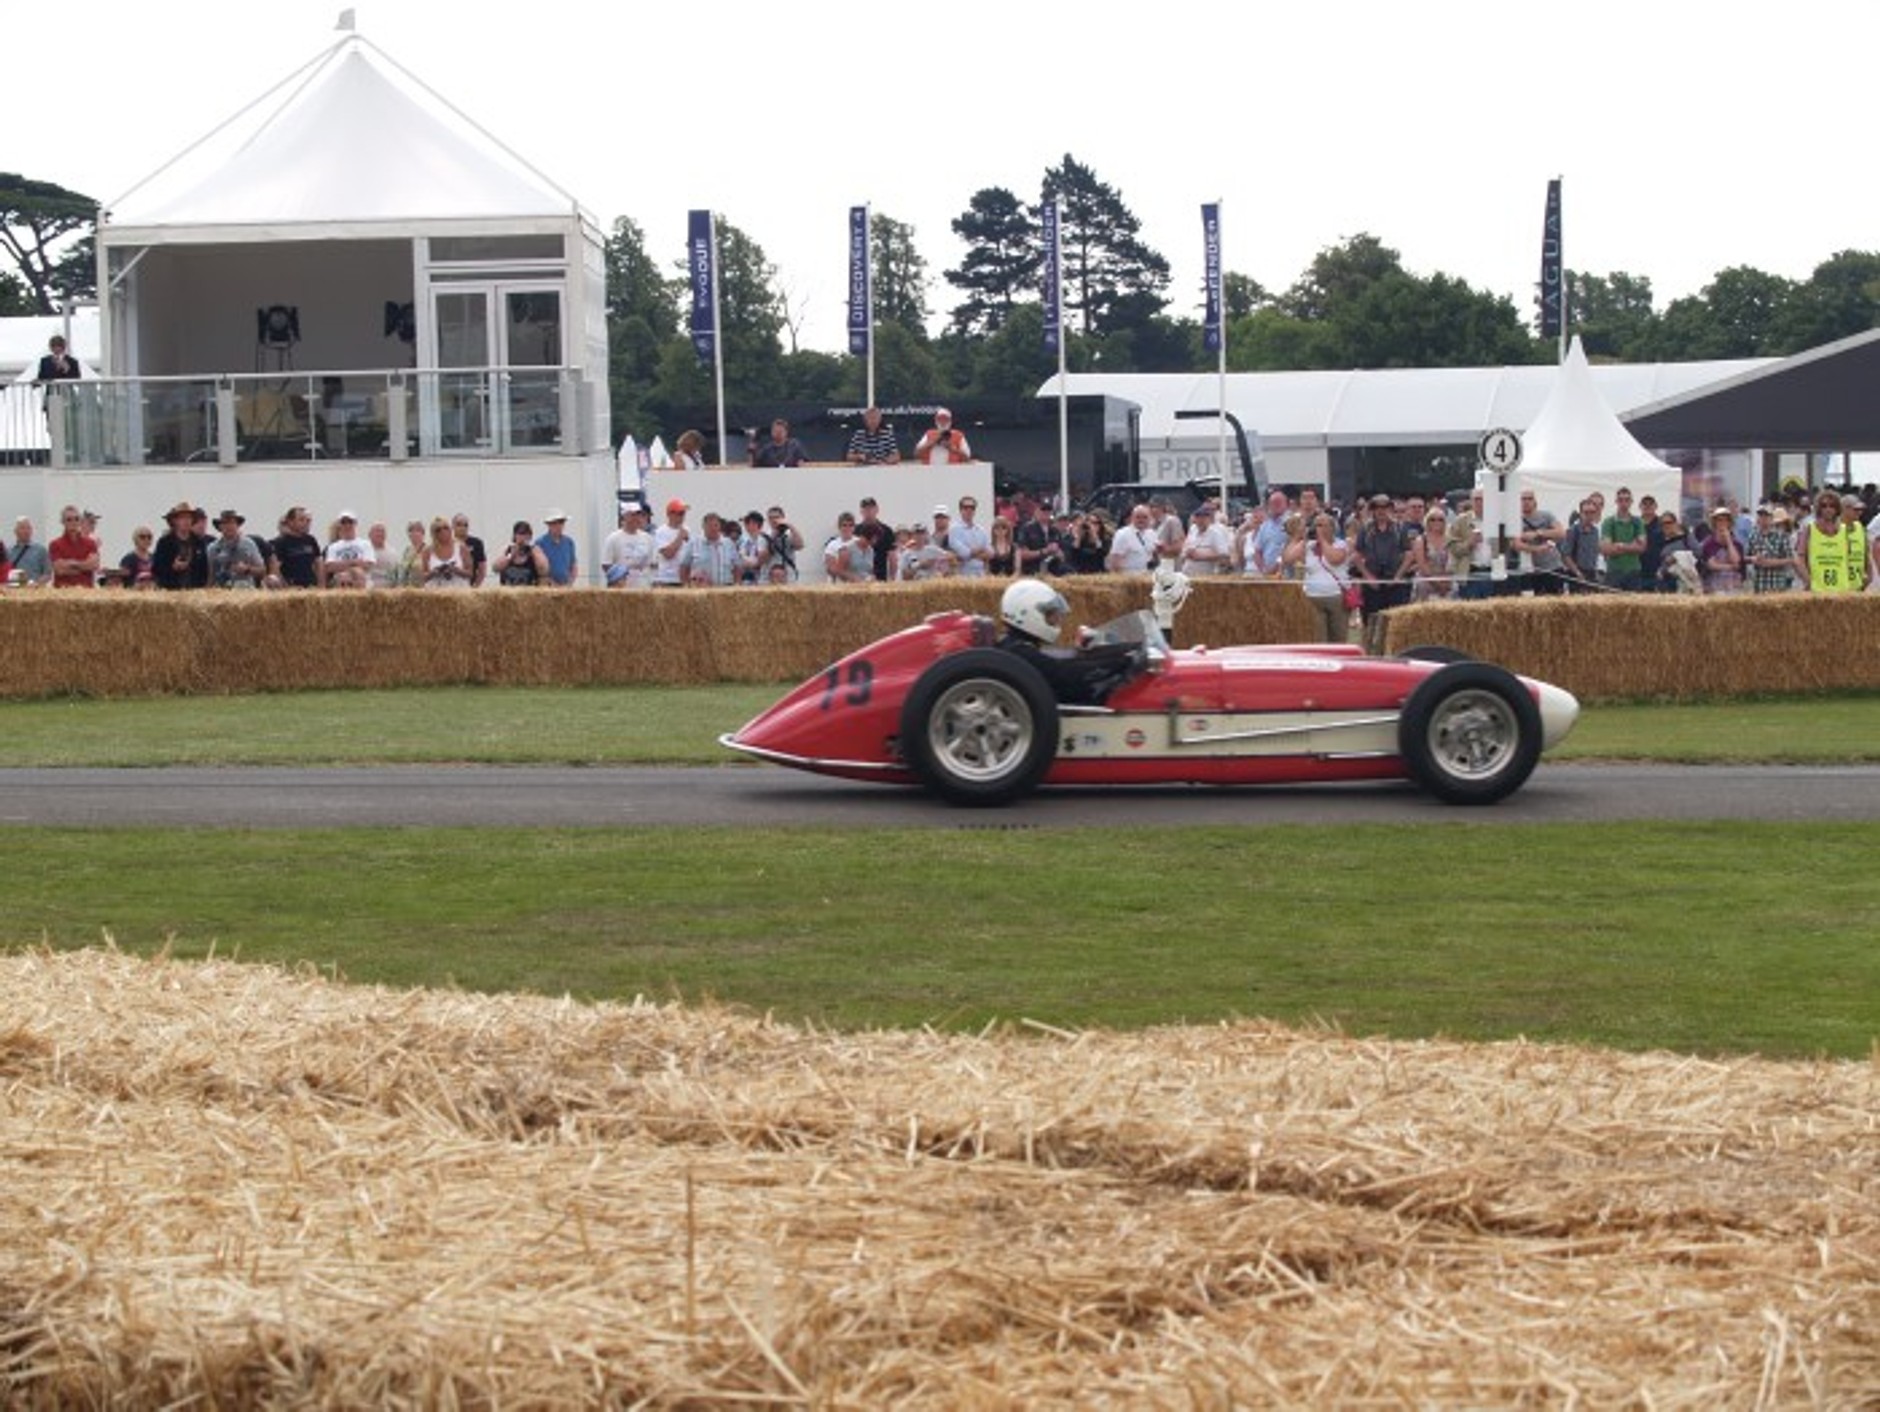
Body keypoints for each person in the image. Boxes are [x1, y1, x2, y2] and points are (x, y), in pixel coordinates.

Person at [995, 578, 1142, 707]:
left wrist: (1090, 652)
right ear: (1026, 614)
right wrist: (1122, 661)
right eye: (1050, 614)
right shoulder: (1020, 653)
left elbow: (1057, 662)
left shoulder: (1014, 646)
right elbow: (1066, 674)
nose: (1056, 620)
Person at [1351, 494, 1416, 653]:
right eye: (1377, 508)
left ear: (1390, 509)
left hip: (1394, 583)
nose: (1381, 511)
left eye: (1385, 508)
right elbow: (1356, 556)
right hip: (1372, 584)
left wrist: (1398, 577)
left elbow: (1409, 555)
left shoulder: (1400, 528)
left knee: (1397, 623)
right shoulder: (1365, 529)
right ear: (1373, 510)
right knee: (1370, 624)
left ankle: (1397, 654)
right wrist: (1368, 576)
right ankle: (1370, 656)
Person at [1286, 511, 1351, 644]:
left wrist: (1322, 540)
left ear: (1332, 528)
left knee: (1338, 638)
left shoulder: (1341, 544)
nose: (1317, 528)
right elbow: (1288, 558)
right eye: (1315, 525)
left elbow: (1334, 559)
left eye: (1321, 525)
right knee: (1318, 639)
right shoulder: (1309, 545)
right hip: (1313, 598)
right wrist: (1299, 538)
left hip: (1336, 597)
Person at [1794, 488, 1862, 594]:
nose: (1828, 509)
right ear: (1818, 509)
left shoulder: (1844, 530)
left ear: (1837, 509)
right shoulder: (1809, 529)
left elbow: (1848, 559)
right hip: (1817, 590)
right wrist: (1808, 581)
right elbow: (1799, 559)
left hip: (1841, 589)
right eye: (1824, 506)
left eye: (1832, 506)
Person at [1514, 489, 1566, 595]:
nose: (1526, 502)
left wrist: (1538, 533)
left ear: (1535, 502)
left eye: (1529, 498)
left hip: (1553, 566)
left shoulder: (1546, 515)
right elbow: (1516, 544)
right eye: (1523, 499)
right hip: (1532, 570)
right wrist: (1537, 549)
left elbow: (1561, 532)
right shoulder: (1515, 521)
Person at [1599, 487, 1647, 591]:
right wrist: (1632, 545)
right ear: (1616, 502)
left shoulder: (1638, 522)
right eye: (1621, 500)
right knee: (1611, 605)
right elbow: (1606, 549)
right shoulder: (1608, 522)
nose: (1624, 503)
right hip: (1614, 571)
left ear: (1631, 502)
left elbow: (1642, 548)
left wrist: (1620, 545)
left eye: (1627, 500)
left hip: (1633, 570)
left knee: (1634, 605)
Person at [151, 504, 208, 591]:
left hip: (194, 594)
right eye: (182, 518)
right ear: (175, 521)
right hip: (170, 593)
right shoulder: (164, 542)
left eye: (189, 518)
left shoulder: (199, 542)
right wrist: (172, 568)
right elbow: (156, 569)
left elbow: (204, 570)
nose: (186, 521)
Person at [1408, 505, 1457, 602]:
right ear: (1427, 522)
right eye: (1432, 519)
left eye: (1440, 519)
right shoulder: (1421, 540)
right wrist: (1438, 585)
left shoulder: (1450, 540)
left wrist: (1446, 584)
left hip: (1448, 584)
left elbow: (1454, 562)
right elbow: (1422, 565)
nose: (1436, 522)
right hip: (1426, 584)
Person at [207, 509, 266, 589]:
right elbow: (211, 575)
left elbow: (262, 570)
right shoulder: (212, 548)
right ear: (220, 527)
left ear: (237, 525)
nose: (229, 526)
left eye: (232, 523)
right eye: (225, 523)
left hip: (244, 589)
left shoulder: (249, 544)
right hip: (221, 590)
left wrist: (247, 569)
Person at [602, 504, 657, 588]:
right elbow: (606, 564)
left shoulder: (647, 538)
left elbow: (652, 563)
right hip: (622, 589)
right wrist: (618, 579)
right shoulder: (613, 538)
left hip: (643, 588)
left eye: (638, 514)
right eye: (632, 515)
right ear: (624, 516)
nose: (636, 518)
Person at [1746, 505, 1797, 594]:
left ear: (1771, 518)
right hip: (1759, 584)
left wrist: (1771, 562)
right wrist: (1753, 559)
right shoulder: (1752, 536)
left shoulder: (1781, 536)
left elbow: (1791, 559)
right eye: (1761, 515)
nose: (1763, 518)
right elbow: (1745, 557)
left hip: (1777, 584)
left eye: (1766, 515)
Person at [47, 505, 100, 588]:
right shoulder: (55, 544)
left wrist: (70, 564)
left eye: (76, 519)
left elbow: (93, 565)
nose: (73, 522)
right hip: (63, 594)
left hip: (86, 594)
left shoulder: (91, 543)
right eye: (69, 519)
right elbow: (59, 570)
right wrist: (84, 565)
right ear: (63, 522)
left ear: (80, 521)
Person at [270, 505, 322, 589]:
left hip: (311, 586)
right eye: (301, 520)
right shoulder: (281, 543)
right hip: (293, 587)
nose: (305, 523)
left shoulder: (311, 540)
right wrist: (286, 588)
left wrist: (321, 585)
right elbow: (276, 568)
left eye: (306, 520)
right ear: (291, 522)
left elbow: (319, 564)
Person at [682, 512, 739, 586]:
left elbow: (737, 567)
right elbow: (684, 566)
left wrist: (737, 584)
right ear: (703, 527)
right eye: (709, 526)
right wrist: (686, 585)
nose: (713, 529)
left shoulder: (728, 544)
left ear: (720, 526)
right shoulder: (694, 543)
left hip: (725, 589)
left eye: (716, 525)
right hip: (701, 590)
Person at [1697, 506, 1746, 595]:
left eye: (1725, 520)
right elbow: (1712, 565)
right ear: (1714, 522)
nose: (1722, 523)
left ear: (1729, 523)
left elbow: (1736, 561)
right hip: (1714, 586)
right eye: (1719, 520)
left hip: (1733, 587)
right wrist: (1731, 567)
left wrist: (1728, 541)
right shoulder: (1708, 543)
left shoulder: (1737, 544)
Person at [1559, 497, 1604, 591]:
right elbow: (1565, 555)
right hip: (1576, 575)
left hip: (1592, 574)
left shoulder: (1595, 531)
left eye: (1592, 512)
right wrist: (1577, 573)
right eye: (1586, 512)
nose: (1589, 515)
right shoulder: (1573, 531)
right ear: (1580, 513)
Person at [323, 511, 376, 589]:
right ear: (339, 525)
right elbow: (330, 567)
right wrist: (354, 562)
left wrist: (341, 565)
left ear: (355, 524)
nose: (347, 525)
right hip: (341, 587)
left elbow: (368, 565)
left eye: (350, 522)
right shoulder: (333, 547)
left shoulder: (365, 544)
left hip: (363, 586)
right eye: (343, 522)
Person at [1178, 502, 1233, 576]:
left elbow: (1224, 555)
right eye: (1198, 517)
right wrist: (1187, 554)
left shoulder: (1216, 532)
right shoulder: (1193, 530)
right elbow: (1184, 551)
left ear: (1208, 518)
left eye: (1204, 517)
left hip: (1207, 574)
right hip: (1188, 573)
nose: (1201, 520)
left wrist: (1201, 556)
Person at [421, 516, 473, 589]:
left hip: (458, 591)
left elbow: (470, 573)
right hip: (435, 592)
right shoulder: (427, 551)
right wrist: (433, 572)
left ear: (450, 530)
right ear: (433, 533)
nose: (443, 531)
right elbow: (423, 577)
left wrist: (456, 570)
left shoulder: (461, 547)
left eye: (446, 528)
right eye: (438, 530)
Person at [947, 494, 992, 577]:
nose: (969, 510)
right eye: (966, 507)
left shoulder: (981, 530)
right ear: (960, 510)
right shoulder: (954, 529)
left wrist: (970, 554)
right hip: (963, 575)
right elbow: (964, 553)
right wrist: (981, 550)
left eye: (972, 507)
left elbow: (990, 553)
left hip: (981, 574)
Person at [1105, 504, 1158, 574]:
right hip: (1128, 579)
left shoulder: (1152, 534)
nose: (1141, 520)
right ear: (1132, 518)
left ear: (1150, 518)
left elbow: (1154, 555)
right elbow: (1115, 561)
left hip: (1146, 577)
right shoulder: (1122, 534)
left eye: (1145, 517)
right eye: (1138, 517)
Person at [494, 520, 549, 586]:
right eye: (520, 534)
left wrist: (533, 552)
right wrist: (510, 555)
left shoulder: (535, 550)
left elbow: (544, 570)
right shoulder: (507, 550)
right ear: (515, 536)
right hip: (509, 592)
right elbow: (496, 568)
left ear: (530, 536)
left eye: (525, 534)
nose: (522, 537)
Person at [822, 512, 872, 583]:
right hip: (838, 585)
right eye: (844, 525)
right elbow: (831, 568)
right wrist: (850, 577)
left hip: (860, 584)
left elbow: (868, 565)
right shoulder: (832, 545)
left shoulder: (860, 542)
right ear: (839, 527)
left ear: (854, 527)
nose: (847, 528)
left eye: (850, 525)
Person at [853, 497, 895, 581]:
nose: (868, 511)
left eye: (871, 508)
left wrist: (892, 578)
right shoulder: (855, 530)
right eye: (865, 509)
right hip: (858, 579)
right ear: (861, 511)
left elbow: (892, 557)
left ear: (877, 510)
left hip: (880, 576)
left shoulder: (887, 531)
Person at [653, 499, 690, 587]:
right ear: (670, 514)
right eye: (680, 513)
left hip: (682, 579)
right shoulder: (660, 532)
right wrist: (680, 537)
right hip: (666, 580)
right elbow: (668, 554)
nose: (682, 516)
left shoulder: (687, 530)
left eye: (683, 513)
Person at [763, 505, 803, 582]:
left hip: (789, 574)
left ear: (783, 518)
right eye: (771, 518)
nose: (774, 520)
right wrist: (772, 538)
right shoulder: (765, 535)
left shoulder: (789, 533)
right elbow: (763, 558)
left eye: (777, 517)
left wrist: (791, 527)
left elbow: (799, 546)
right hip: (770, 574)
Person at [538, 510, 578, 585]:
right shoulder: (540, 543)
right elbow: (539, 568)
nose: (559, 526)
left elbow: (573, 564)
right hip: (548, 587)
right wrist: (552, 583)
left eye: (561, 522)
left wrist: (570, 582)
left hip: (566, 586)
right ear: (549, 525)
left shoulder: (569, 542)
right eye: (555, 523)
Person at [450, 514, 489, 588]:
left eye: (465, 525)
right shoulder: (448, 544)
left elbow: (482, 568)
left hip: (470, 584)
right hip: (451, 585)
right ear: (453, 526)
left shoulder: (476, 543)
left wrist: (476, 586)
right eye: (459, 525)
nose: (462, 528)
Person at [734, 511, 770, 584]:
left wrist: (747, 561)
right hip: (744, 578)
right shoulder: (742, 540)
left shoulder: (764, 539)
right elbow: (740, 557)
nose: (748, 526)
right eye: (747, 523)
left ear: (759, 525)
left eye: (752, 523)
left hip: (761, 578)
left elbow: (760, 560)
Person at [118, 525, 157, 590]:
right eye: (142, 537)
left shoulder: (155, 558)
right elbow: (124, 581)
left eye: (149, 537)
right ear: (135, 539)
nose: (146, 539)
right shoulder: (128, 559)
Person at [396, 520, 427, 587]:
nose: (414, 533)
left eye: (417, 531)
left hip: (423, 589)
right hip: (408, 589)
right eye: (411, 531)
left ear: (423, 533)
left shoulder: (427, 550)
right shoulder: (407, 551)